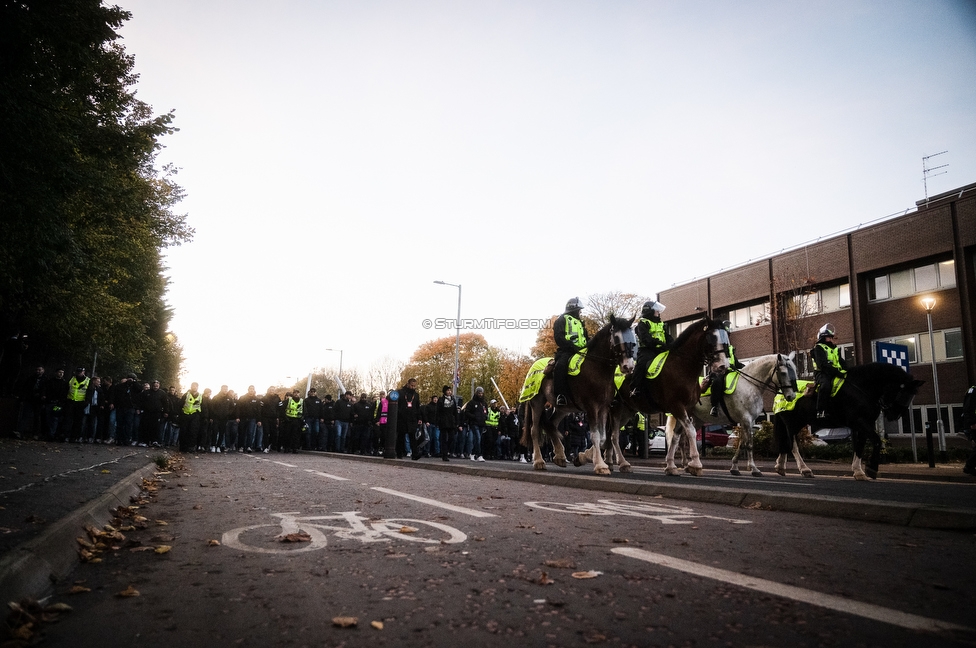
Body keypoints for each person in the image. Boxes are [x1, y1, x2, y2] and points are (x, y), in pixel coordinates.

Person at [553, 297, 589, 406]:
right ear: (574, 309)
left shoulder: (580, 323)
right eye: (579, 310)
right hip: (567, 350)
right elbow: (558, 337)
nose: (580, 312)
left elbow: (586, 337)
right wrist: (571, 346)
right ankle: (560, 395)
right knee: (560, 366)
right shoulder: (561, 320)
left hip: (583, 351)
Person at [635, 300, 673, 399]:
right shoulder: (643, 323)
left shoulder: (661, 323)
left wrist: (672, 344)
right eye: (656, 310)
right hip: (648, 350)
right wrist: (658, 343)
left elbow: (667, 336)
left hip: (662, 350)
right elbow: (645, 338)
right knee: (642, 365)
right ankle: (635, 387)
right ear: (649, 311)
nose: (658, 312)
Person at [705, 320, 743, 416]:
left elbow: (736, 362)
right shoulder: (714, 346)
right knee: (718, 381)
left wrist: (746, 367)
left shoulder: (730, 348)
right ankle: (714, 406)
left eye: (727, 335)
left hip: (730, 371)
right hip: (718, 371)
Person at [811, 323, 848, 419]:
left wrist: (847, 370)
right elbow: (822, 365)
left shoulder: (835, 348)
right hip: (822, 373)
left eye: (831, 337)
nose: (831, 339)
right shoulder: (818, 348)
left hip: (836, 372)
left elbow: (841, 361)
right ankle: (820, 411)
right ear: (823, 338)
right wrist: (837, 372)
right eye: (829, 337)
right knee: (826, 386)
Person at [396, 378, 424, 459]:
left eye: (414, 386)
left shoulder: (416, 395)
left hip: (412, 419)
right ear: (408, 384)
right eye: (412, 385)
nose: (413, 387)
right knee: (401, 436)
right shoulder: (400, 393)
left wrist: (419, 418)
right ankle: (399, 453)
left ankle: (415, 454)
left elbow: (418, 407)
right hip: (402, 418)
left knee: (413, 437)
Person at [64, 367, 90, 443]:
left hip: (81, 403)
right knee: (68, 420)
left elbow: (89, 393)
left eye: (80, 372)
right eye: (78, 372)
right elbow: (66, 389)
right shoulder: (72, 379)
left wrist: (86, 402)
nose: (79, 373)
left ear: (83, 372)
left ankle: (75, 437)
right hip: (71, 402)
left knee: (78, 421)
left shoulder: (88, 380)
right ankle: (67, 436)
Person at [462, 386, 488, 461]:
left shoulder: (484, 403)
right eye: (479, 393)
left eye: (481, 393)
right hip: (474, 423)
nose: (480, 394)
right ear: (476, 393)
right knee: (478, 438)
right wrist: (474, 417)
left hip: (481, 423)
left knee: (477, 440)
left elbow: (486, 411)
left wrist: (485, 416)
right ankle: (479, 455)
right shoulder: (471, 403)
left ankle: (473, 453)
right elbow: (467, 412)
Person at [436, 386, 459, 462]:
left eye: (450, 390)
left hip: (451, 421)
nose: (449, 392)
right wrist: (438, 421)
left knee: (452, 438)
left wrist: (457, 422)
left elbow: (455, 411)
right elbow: (438, 411)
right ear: (445, 391)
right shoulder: (441, 400)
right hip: (443, 421)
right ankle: (444, 454)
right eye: (448, 390)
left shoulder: (453, 400)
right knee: (444, 438)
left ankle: (446, 450)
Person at [178, 382, 203, 452]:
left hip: (195, 415)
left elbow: (203, 406)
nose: (194, 387)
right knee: (184, 431)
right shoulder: (186, 395)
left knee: (193, 432)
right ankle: (183, 447)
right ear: (191, 387)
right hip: (185, 414)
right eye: (193, 386)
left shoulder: (200, 396)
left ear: (197, 387)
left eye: (196, 386)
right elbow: (180, 404)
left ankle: (191, 447)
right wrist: (179, 414)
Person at [962, 385, 976, 477]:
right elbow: (968, 408)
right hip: (974, 425)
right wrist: (972, 423)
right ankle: (969, 466)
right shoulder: (973, 391)